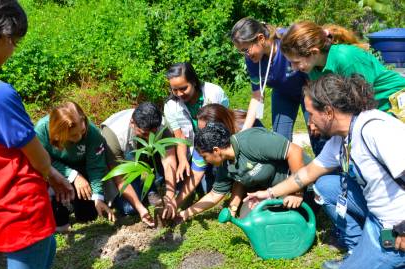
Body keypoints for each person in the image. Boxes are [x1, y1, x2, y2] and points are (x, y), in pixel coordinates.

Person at [245, 74, 405, 269]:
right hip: (376, 217)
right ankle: (360, 250)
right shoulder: (341, 140)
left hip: (396, 225)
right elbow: (306, 174)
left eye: (311, 113)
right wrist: (268, 193)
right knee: (326, 185)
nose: (309, 121)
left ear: (328, 112)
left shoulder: (374, 130)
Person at [0, 1, 74, 269]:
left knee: (47, 248)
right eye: (14, 43)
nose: (12, 52)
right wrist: (53, 174)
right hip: (19, 206)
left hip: (3, 204)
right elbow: (38, 156)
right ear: (4, 37)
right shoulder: (0, 95)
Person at [177, 122, 312, 221]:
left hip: (306, 183)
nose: (205, 161)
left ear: (216, 150)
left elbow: (295, 151)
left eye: (205, 156)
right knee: (247, 216)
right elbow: (214, 195)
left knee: (295, 218)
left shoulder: (251, 141)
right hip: (275, 192)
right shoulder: (224, 164)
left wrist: (297, 192)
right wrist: (185, 214)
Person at [230, 18, 325, 154]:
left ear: (260, 38)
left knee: (317, 134)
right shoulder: (251, 59)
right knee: (281, 142)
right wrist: (243, 132)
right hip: (283, 93)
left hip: (310, 90)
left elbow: (313, 78)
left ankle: (329, 171)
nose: (245, 55)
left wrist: (313, 114)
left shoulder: (287, 41)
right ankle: (290, 171)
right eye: (241, 52)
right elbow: (257, 96)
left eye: (246, 50)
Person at [280, 21, 405, 114]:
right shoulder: (312, 68)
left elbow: (363, 103)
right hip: (372, 107)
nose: (294, 67)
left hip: (393, 102)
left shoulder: (345, 58)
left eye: (296, 62)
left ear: (314, 52)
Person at [35, 101, 115, 232]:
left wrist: (98, 196)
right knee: (59, 221)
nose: (79, 137)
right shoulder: (41, 131)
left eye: (82, 132)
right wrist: (73, 175)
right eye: (72, 135)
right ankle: (56, 202)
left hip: (84, 171)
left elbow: (95, 165)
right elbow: (42, 161)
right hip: (54, 174)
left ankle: (73, 203)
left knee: (88, 216)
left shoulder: (92, 133)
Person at [173, 104, 264, 216]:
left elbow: (243, 173)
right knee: (208, 187)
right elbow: (197, 175)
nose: (201, 134)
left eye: (205, 130)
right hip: (238, 169)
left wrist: (233, 204)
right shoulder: (206, 139)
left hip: (261, 174)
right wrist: (176, 205)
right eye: (200, 130)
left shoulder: (245, 131)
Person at [101, 102, 177, 226]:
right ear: (132, 123)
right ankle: (145, 187)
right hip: (126, 161)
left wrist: (170, 195)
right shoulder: (113, 134)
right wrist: (140, 208)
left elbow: (169, 160)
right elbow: (119, 177)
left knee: (176, 190)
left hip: (151, 157)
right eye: (145, 134)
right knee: (129, 208)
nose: (150, 139)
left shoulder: (161, 124)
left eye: (154, 133)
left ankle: (152, 187)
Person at [163, 62, 229, 193]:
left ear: (193, 81)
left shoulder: (214, 93)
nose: (179, 94)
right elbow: (180, 137)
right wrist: (182, 160)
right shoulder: (171, 106)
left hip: (219, 145)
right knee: (204, 189)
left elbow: (227, 123)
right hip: (197, 150)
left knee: (216, 182)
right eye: (174, 90)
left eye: (183, 88)